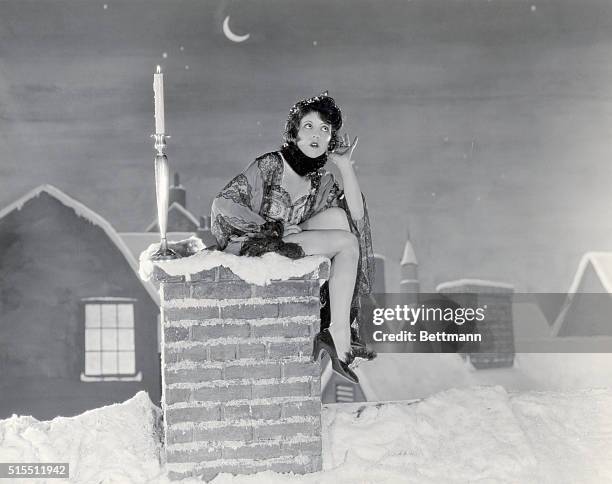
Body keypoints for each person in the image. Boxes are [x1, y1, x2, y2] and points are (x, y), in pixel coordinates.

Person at [211, 92, 375, 384]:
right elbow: (223, 205)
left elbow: (357, 216)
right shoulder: (271, 165)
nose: (317, 134)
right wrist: (272, 228)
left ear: (331, 140)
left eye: (325, 129)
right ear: (295, 132)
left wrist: (345, 166)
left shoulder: (319, 179)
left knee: (341, 220)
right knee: (347, 244)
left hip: (291, 242)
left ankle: (334, 326)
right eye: (309, 126)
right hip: (255, 243)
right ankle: (337, 332)